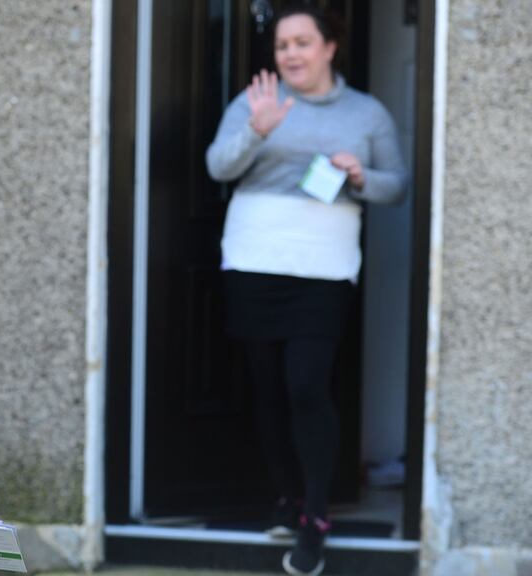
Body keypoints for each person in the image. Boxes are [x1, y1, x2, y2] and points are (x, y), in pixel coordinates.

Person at [205, 5, 407, 576]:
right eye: (282, 45)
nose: (290, 54)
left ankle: (316, 515)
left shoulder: (367, 114)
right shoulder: (254, 103)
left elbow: (399, 187)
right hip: (254, 259)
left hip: (323, 266)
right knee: (268, 388)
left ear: (329, 48)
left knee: (306, 385)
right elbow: (218, 166)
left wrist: (364, 177)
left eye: (302, 43)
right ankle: (288, 499)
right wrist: (256, 130)